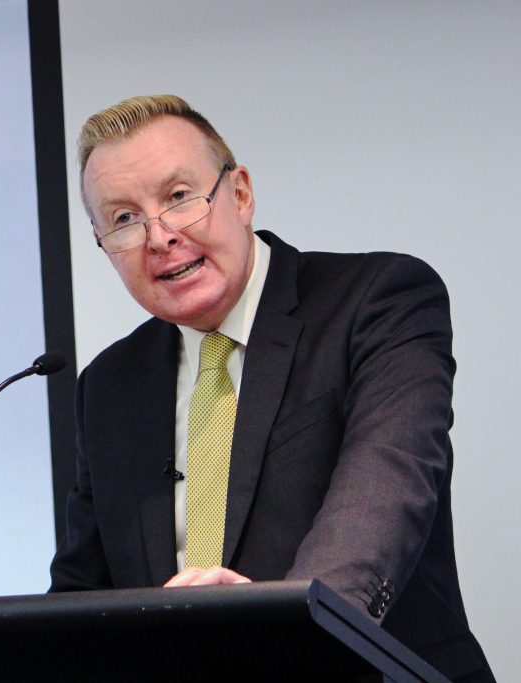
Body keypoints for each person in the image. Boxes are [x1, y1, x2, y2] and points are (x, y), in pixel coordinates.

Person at [49, 95, 493, 682]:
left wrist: (292, 632)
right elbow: (80, 600)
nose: (158, 237)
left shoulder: (377, 302)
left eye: (179, 198)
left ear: (240, 194)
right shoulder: (107, 386)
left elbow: (385, 490)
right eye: (124, 218)